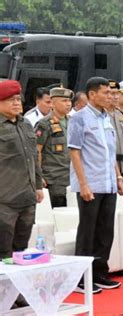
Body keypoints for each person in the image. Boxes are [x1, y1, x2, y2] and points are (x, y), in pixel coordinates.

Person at [68, 77, 123, 294]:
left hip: (108, 182)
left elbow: (109, 153)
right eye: (105, 92)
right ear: (92, 94)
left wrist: (118, 178)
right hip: (90, 183)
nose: (110, 96)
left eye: (111, 93)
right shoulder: (79, 118)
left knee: (105, 231)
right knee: (88, 231)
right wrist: (83, 184)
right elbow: (74, 151)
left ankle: (100, 272)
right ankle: (81, 278)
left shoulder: (106, 118)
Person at [0, 79, 44, 258]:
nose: (17, 103)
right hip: (4, 199)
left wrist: (39, 186)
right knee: (3, 251)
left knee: (21, 249)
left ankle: (17, 286)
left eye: (18, 99)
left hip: (27, 197)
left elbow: (33, 157)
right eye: (11, 100)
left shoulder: (25, 124)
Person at [35, 87, 74, 208]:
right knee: (58, 214)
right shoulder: (44, 124)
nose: (68, 104)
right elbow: (37, 151)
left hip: (72, 178)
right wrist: (39, 175)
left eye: (69, 101)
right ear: (52, 103)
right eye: (64, 101)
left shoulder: (73, 121)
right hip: (54, 179)